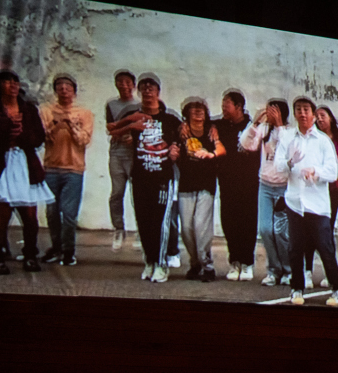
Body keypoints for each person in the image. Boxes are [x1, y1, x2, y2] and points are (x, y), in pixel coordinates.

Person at [274, 96, 338, 306]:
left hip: (318, 204)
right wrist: (290, 162)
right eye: (298, 109)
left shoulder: (323, 141)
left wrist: (315, 171)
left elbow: (333, 172)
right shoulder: (288, 138)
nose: (302, 113)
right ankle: (296, 288)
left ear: (314, 115)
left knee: (325, 247)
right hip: (295, 202)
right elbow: (279, 167)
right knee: (295, 248)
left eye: (306, 109)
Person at [108, 73, 181, 282]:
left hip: (162, 179)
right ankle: (149, 261)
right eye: (144, 89)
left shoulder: (170, 119)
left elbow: (182, 140)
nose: (148, 93)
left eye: (152, 89)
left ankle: (161, 263)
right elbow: (113, 130)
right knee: (143, 221)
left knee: (160, 223)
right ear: (139, 93)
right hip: (139, 177)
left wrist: (176, 149)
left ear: (158, 92)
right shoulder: (133, 113)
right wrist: (131, 128)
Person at [0, 70, 54, 274]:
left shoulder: (29, 109)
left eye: (15, 81)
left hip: (25, 163)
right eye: (7, 81)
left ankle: (31, 255)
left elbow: (39, 137)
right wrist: (5, 130)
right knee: (2, 213)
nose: (13, 85)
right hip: (1, 163)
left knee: (30, 215)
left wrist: (23, 136)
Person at [38, 73, 93, 266]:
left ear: (74, 91)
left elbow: (84, 140)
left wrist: (71, 124)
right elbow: (43, 138)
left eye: (68, 87)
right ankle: (56, 247)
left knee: (69, 213)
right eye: (60, 87)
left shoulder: (84, 113)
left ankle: (69, 250)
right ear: (55, 91)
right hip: (51, 167)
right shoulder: (46, 110)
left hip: (74, 168)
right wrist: (56, 124)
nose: (64, 90)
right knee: (52, 212)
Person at [240, 99, 293, 286]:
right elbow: (246, 144)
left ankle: (288, 270)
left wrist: (279, 125)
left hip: (283, 187)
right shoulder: (264, 130)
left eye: (274, 111)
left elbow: (287, 149)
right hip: (265, 185)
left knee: (281, 232)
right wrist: (255, 122)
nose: (269, 114)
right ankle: (273, 270)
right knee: (264, 229)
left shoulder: (290, 132)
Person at [176, 97, 225, 281]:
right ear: (187, 115)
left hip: (206, 185)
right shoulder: (181, 131)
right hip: (185, 185)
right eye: (193, 110)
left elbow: (221, 149)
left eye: (201, 110)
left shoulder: (212, 130)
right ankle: (195, 262)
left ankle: (208, 266)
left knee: (201, 226)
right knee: (187, 229)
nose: (197, 113)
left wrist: (211, 154)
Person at [214, 89, 260, 281]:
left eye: (227, 105)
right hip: (226, 183)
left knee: (247, 223)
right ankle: (234, 262)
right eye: (223, 105)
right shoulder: (217, 125)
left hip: (249, 183)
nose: (224, 108)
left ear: (239, 107)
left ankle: (247, 263)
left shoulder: (253, 126)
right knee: (229, 223)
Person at [311, 105, 338, 289]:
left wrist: (320, 169)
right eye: (316, 116)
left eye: (322, 115)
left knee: (326, 230)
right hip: (313, 188)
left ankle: (329, 272)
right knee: (308, 230)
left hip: (331, 189)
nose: (319, 119)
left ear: (331, 118)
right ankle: (306, 271)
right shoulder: (312, 137)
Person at [105, 69, 138, 251]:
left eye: (127, 82)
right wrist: (119, 132)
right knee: (117, 193)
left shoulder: (140, 104)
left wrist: (133, 136)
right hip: (117, 153)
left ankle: (141, 231)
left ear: (133, 86)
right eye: (120, 82)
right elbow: (110, 127)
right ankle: (119, 229)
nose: (124, 86)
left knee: (138, 195)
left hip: (134, 153)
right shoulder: (111, 105)